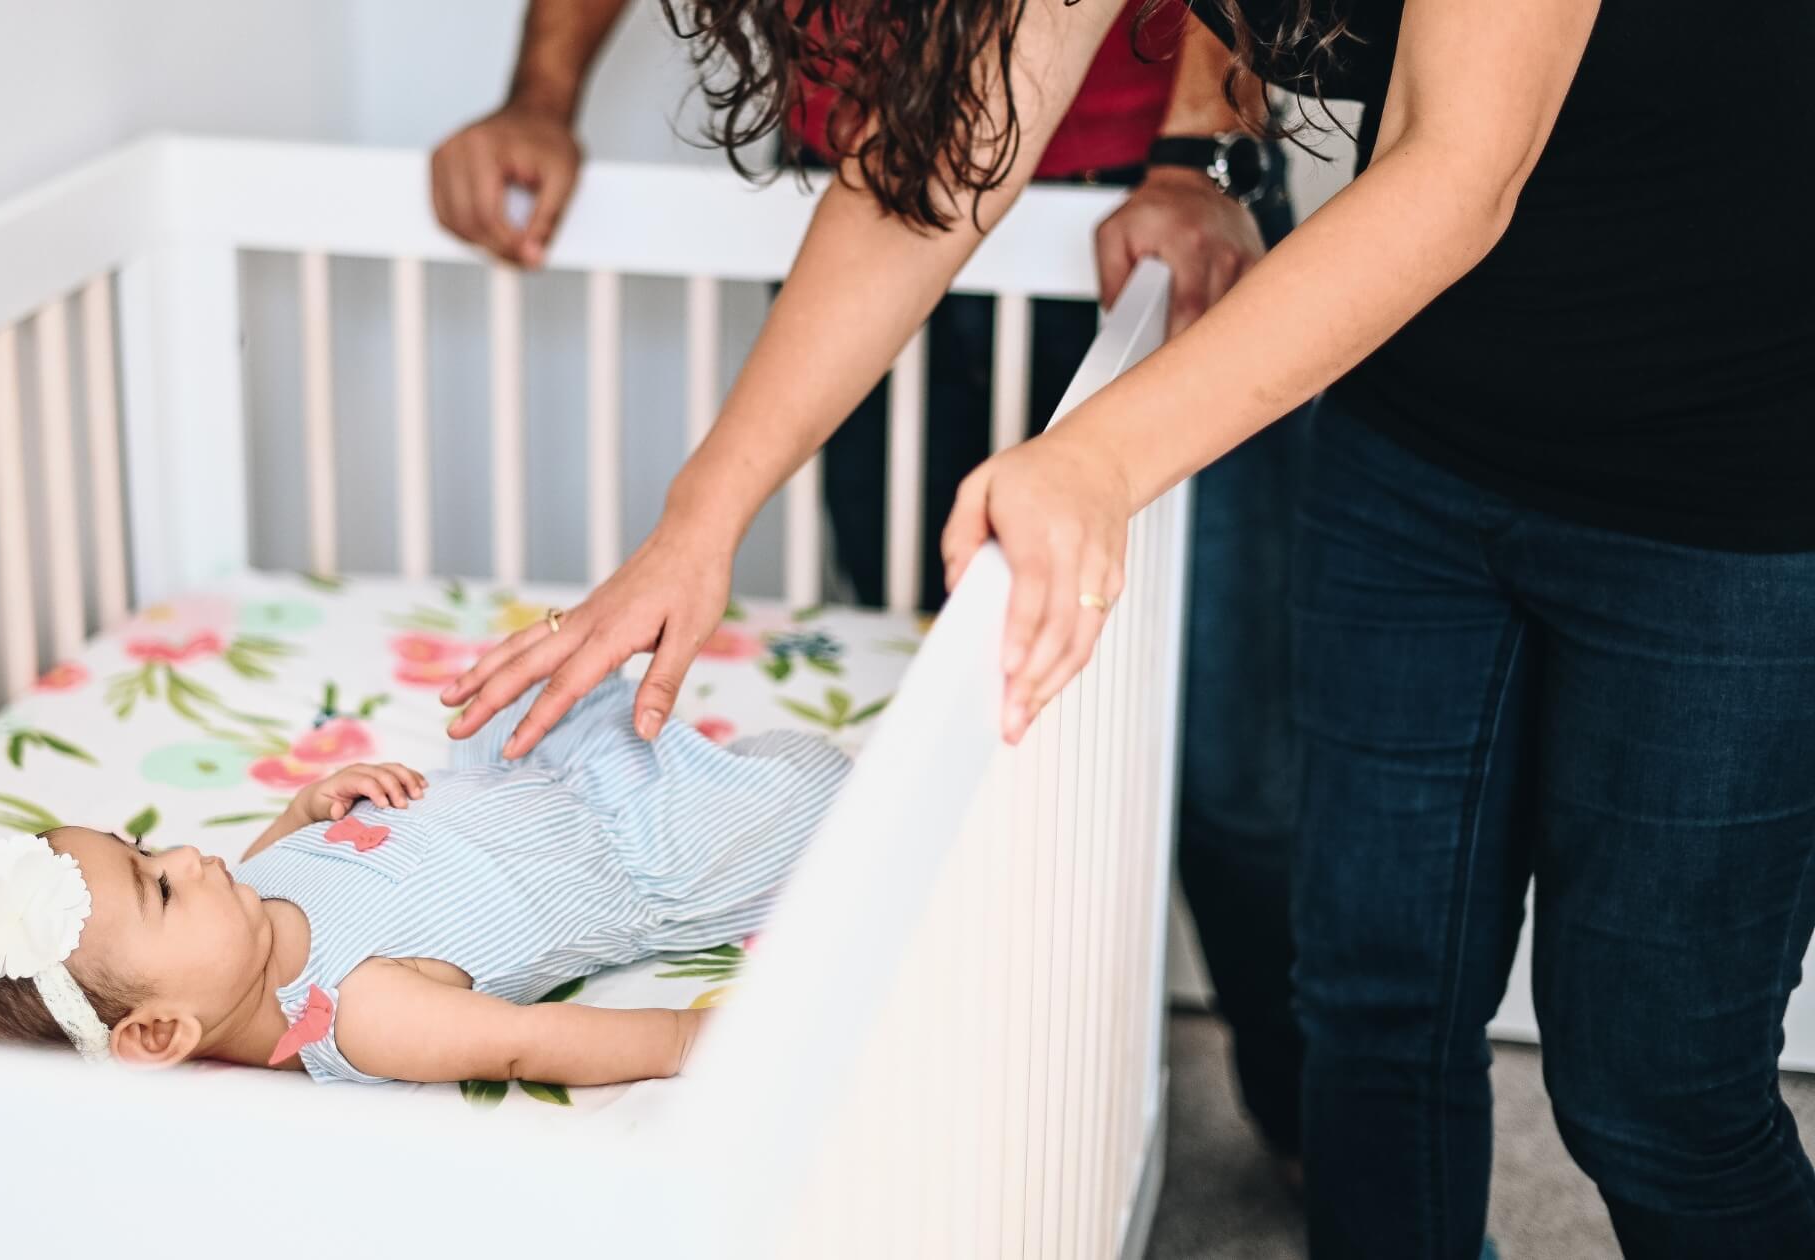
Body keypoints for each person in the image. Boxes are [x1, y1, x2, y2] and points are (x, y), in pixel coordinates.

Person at [440, 1, 1815, 1256]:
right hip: (1423, 446)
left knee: (1658, 1095)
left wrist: (1099, 459)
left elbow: (1458, 172)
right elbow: (944, 155)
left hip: (1728, 490)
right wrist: (702, 515)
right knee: (1376, 1023)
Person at [431, 0, 1309, 1168]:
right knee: (933, 707)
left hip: (1133, 185)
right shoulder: (912, 146)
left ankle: (1317, 1125)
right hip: (870, 191)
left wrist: (1202, 151)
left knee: (1231, 756)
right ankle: (973, 1118)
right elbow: (933, 156)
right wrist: (694, 525)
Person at [0, 677, 844, 1085]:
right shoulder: (358, 1012)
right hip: (638, 852)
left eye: (145, 848)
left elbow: (280, 855)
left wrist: (315, 802)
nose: (188, 858)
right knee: (824, 788)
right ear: (159, 1030)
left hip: (531, 783)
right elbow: (530, 1041)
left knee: (521, 685)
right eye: (157, 887)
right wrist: (691, 1042)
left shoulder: (241, 915)